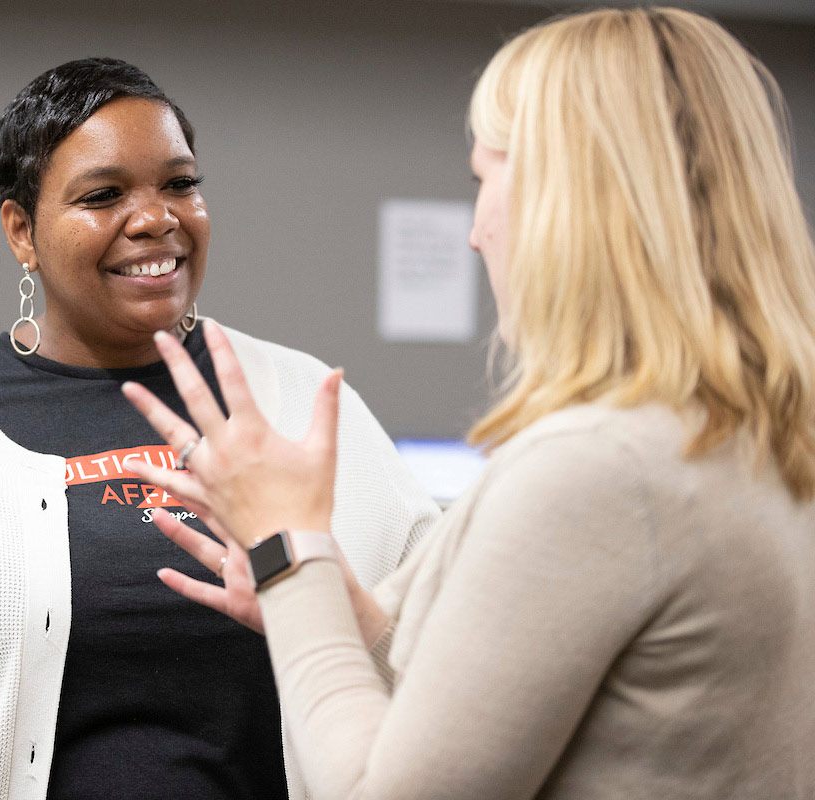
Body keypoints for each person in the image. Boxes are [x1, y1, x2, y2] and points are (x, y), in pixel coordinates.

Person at [122, 8, 815, 799]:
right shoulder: (747, 437)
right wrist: (339, 611)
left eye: (484, 179)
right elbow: (487, 728)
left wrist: (286, 551)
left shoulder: (598, 473)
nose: (478, 232)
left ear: (571, 202)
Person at [0, 59, 440, 799]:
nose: (157, 217)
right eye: (103, 194)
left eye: (180, 184)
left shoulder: (308, 407)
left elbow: (445, 678)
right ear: (21, 231)